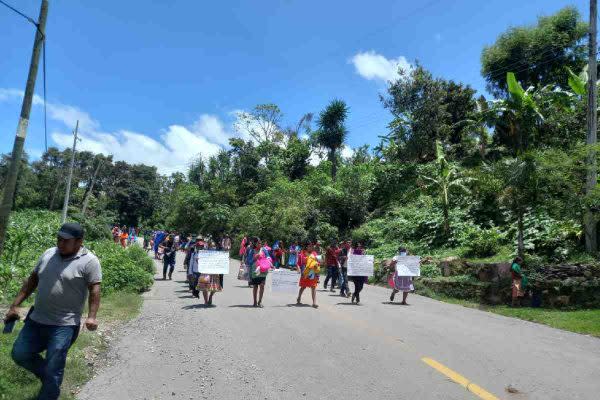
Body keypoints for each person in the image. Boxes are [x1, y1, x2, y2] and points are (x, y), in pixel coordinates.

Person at [5, 223, 101, 400]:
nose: (60, 243)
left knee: (54, 365)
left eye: (66, 241)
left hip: (64, 325)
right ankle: (50, 380)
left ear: (79, 241)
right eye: (59, 239)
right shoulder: (48, 254)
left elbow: (95, 289)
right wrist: (14, 305)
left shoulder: (90, 261)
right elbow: (32, 280)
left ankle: (50, 389)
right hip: (37, 319)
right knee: (20, 354)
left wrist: (91, 317)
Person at [296, 243, 320, 308]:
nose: (311, 247)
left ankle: (314, 303)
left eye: (312, 246)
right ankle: (299, 297)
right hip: (305, 272)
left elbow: (318, 263)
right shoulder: (302, 254)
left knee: (313, 287)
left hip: (312, 272)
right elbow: (298, 263)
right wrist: (298, 268)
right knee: (303, 287)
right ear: (307, 247)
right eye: (309, 246)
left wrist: (317, 269)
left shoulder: (314, 254)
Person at [250, 238, 270, 307]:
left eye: (260, 243)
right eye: (258, 243)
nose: (259, 244)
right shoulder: (252, 251)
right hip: (255, 270)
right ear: (255, 244)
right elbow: (249, 261)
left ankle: (260, 301)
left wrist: (268, 259)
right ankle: (255, 301)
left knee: (262, 285)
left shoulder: (264, 250)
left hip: (263, 269)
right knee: (255, 286)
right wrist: (255, 258)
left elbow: (268, 257)